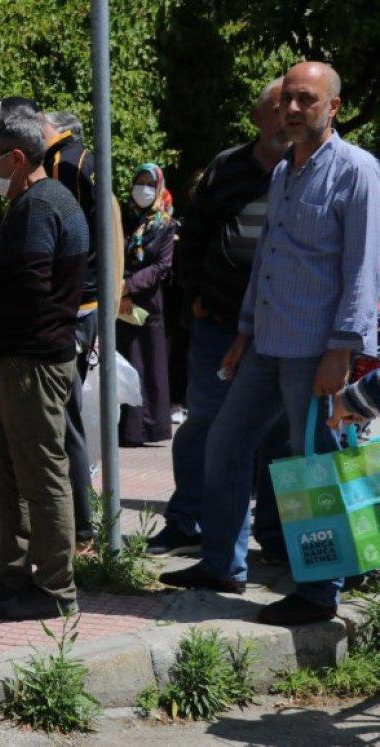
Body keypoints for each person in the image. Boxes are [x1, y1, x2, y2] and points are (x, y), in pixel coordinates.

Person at [160, 61, 380, 626]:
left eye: (306, 99)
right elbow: (268, 261)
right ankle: (221, 565)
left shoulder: (358, 171)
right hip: (267, 343)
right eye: (286, 99)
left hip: (318, 350)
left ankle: (319, 591)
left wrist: (342, 350)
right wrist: (246, 331)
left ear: (333, 105)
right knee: (224, 444)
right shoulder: (284, 171)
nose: (292, 109)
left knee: (311, 467)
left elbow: (361, 269)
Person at [0, 99, 89, 620]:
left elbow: (32, 291)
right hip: (21, 358)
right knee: (4, 470)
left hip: (34, 361)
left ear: (14, 156)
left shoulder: (41, 206)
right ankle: (14, 573)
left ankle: (55, 590)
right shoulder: (38, 200)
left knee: (41, 474)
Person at [147, 79, 291, 557]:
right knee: (206, 420)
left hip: (283, 327)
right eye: (276, 107)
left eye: (294, 105)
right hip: (219, 321)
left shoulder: (310, 168)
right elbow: (197, 230)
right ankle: (186, 518)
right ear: (257, 118)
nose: (286, 115)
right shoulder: (227, 167)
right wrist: (195, 297)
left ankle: (271, 536)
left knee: (277, 431)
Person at [42, 108, 99, 546]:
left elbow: (65, 233)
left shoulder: (64, 165)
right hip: (83, 300)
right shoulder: (85, 160)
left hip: (73, 304)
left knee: (64, 416)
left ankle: (81, 525)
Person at [116, 163, 176, 446]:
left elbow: (162, 266)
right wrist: (118, 287)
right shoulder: (123, 220)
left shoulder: (165, 225)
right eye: (139, 182)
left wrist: (130, 285)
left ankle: (148, 429)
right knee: (124, 361)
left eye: (149, 184)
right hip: (119, 302)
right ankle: (123, 428)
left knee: (147, 365)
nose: (143, 189)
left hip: (146, 303)